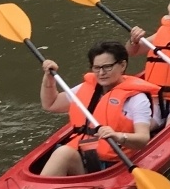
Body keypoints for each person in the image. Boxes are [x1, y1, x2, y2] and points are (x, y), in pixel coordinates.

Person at [39, 41, 156, 176]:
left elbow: (142, 139)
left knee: (62, 153)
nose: (101, 73)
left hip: (112, 162)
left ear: (122, 65)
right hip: (83, 153)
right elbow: (51, 104)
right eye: (96, 68)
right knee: (62, 152)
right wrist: (49, 79)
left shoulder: (136, 99)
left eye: (107, 67)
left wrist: (117, 136)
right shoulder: (87, 88)